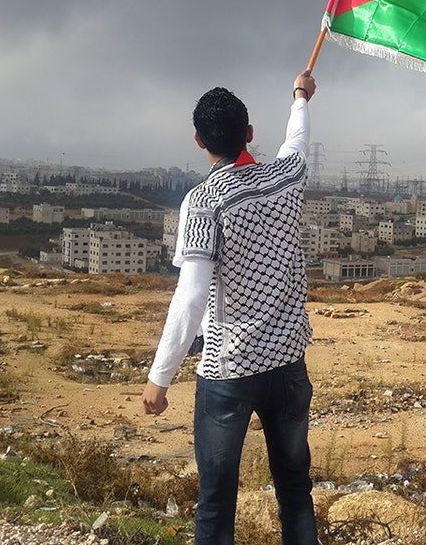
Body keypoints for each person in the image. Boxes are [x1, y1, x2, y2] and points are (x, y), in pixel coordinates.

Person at [142, 70, 320, 545]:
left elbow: (191, 296)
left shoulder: (203, 202)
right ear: (249, 134)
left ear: (199, 140)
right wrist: (300, 97)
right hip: (288, 363)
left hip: (229, 369)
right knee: (295, 491)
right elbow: (297, 143)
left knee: (217, 501)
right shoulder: (285, 179)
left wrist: (160, 378)